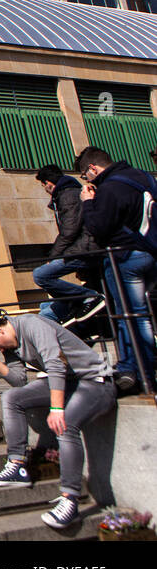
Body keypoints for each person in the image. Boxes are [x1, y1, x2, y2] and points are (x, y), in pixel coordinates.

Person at [0, 312, 115, 529]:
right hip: (68, 384)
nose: (1, 349)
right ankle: (16, 465)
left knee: (65, 424)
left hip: (96, 382)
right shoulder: (10, 345)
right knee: (11, 398)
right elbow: (17, 380)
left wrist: (56, 409)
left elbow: (55, 365)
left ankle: (70, 500)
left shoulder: (32, 324)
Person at [76, 146, 157, 395]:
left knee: (131, 315)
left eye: (84, 175)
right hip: (151, 252)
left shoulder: (110, 189)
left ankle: (142, 372)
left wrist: (88, 203)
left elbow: (99, 227)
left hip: (125, 255)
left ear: (93, 168)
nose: (86, 180)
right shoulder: (144, 177)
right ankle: (134, 368)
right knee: (141, 313)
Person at [32, 164, 102, 325]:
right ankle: (80, 300)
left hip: (85, 248)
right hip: (83, 248)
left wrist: (53, 256)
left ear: (48, 182)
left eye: (43, 185)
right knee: (46, 309)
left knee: (41, 274)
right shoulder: (67, 194)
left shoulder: (68, 195)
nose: (44, 189)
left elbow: (69, 230)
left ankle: (87, 297)